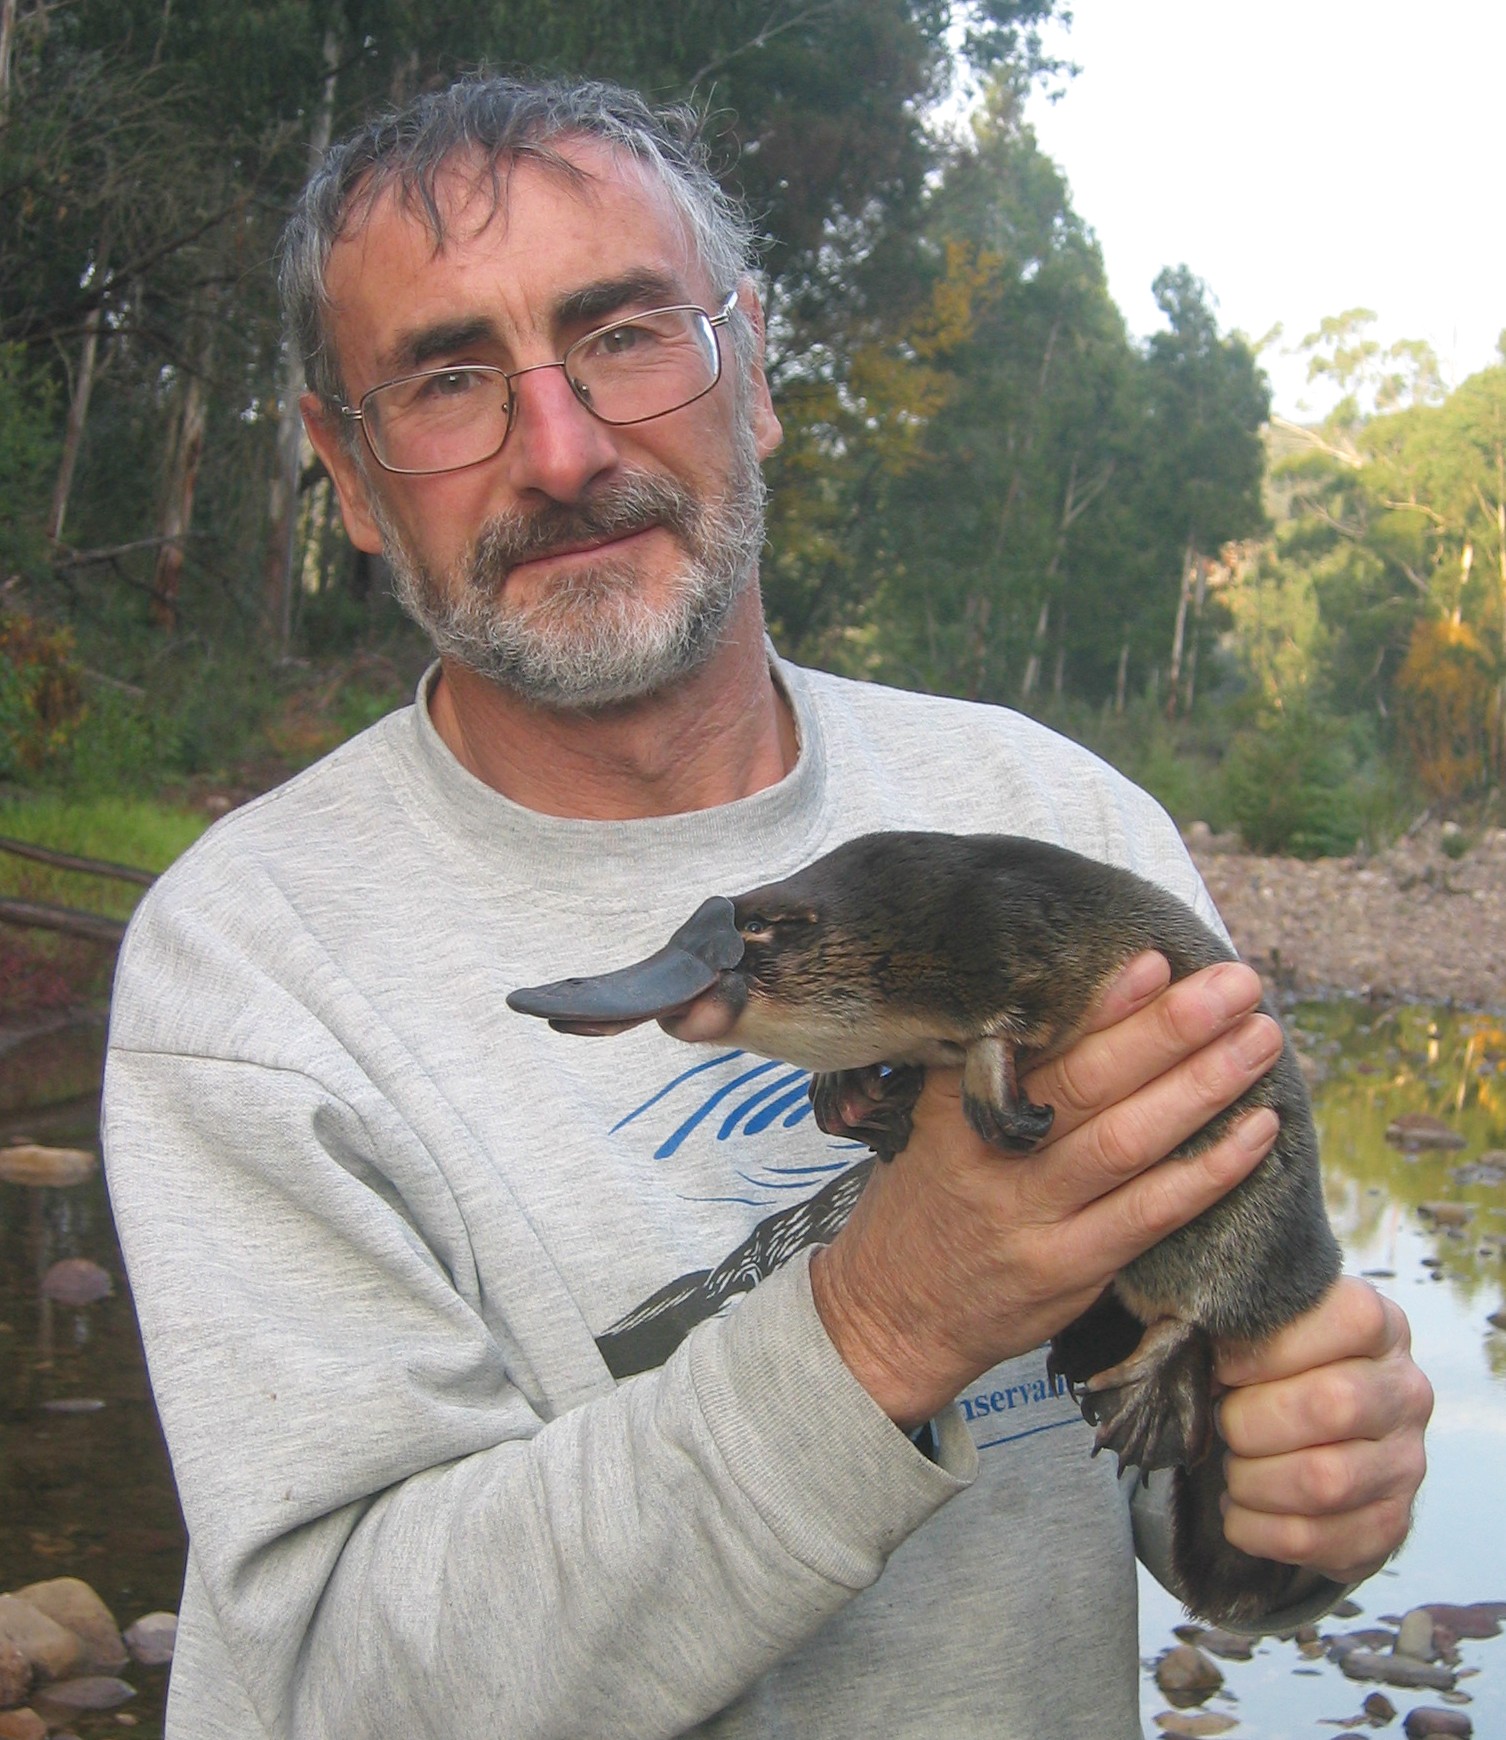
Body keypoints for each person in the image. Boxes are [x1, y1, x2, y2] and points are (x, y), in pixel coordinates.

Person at [102, 75, 1431, 1739]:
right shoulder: (245, 974)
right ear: (351, 476)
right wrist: (883, 1317)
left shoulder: (1061, 815)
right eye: (449, 381)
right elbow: (326, 1692)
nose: (566, 451)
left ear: (754, 367)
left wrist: (1300, 1491)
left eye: (627, 336)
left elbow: (1173, 1477)